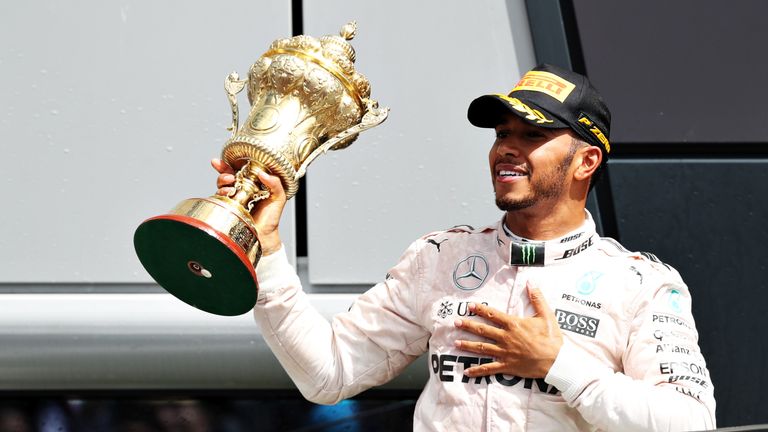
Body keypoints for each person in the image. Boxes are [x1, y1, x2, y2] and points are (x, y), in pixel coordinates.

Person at [212, 64, 716, 431]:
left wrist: (558, 363)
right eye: (502, 133)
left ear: (586, 162)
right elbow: (328, 374)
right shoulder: (440, 259)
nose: (506, 148)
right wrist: (268, 247)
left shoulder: (641, 285)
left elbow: (690, 423)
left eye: (533, 134)